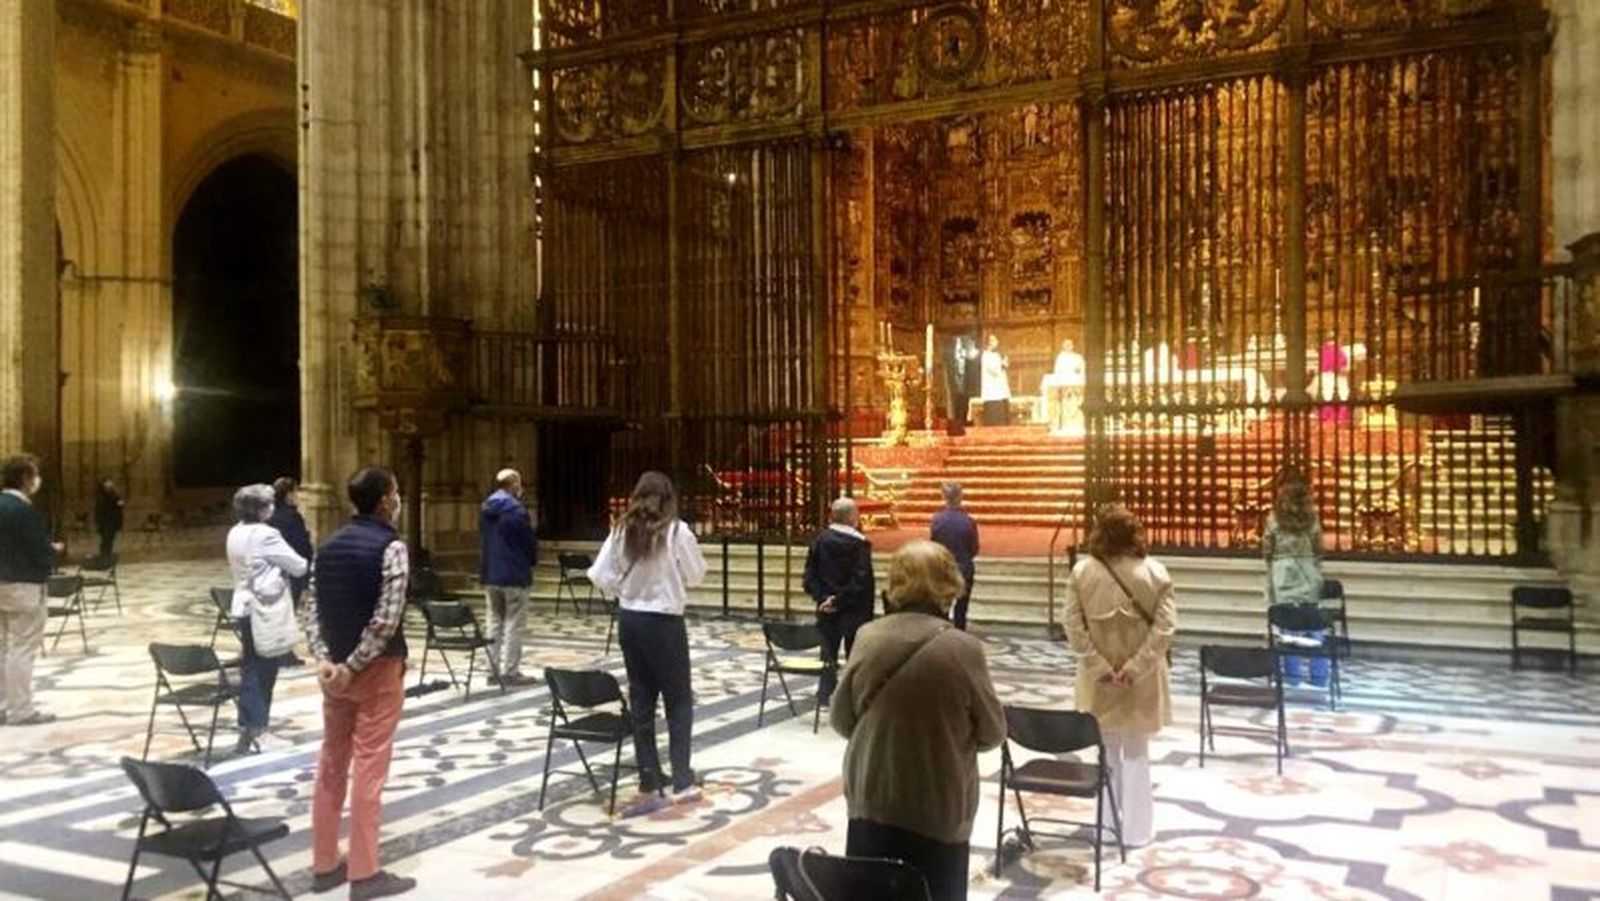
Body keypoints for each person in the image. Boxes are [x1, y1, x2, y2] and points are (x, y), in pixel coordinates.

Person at [831, 541, 1005, 901]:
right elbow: (992, 733)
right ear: (950, 584)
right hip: (937, 806)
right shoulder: (963, 649)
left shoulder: (867, 637)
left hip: (872, 795)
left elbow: (841, 718)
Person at [308, 467, 416, 900]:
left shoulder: (327, 545)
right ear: (386, 499)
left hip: (334, 672)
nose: (398, 498)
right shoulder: (391, 547)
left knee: (331, 762)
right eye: (396, 491)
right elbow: (386, 619)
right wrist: (353, 665)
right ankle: (365, 871)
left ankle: (323, 862)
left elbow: (311, 609)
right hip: (374, 670)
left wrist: (325, 661)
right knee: (370, 767)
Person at [587, 472, 708, 804]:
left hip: (630, 620)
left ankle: (649, 773)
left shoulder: (621, 530)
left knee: (642, 697)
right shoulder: (676, 531)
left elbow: (598, 575)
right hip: (664, 623)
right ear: (669, 497)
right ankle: (682, 776)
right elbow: (697, 574)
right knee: (678, 699)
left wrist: (623, 591)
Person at [1068, 505, 1176, 849]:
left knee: (1106, 750)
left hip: (1098, 679)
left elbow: (1072, 625)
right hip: (1140, 681)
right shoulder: (1155, 572)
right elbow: (1165, 629)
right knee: (1137, 751)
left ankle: (1106, 822)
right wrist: (1134, 668)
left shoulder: (1082, 572)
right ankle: (1137, 830)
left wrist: (1099, 666)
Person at [226, 484, 308, 754]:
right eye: (269, 504)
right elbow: (297, 564)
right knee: (263, 670)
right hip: (264, 608)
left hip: (243, 605)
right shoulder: (266, 534)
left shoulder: (235, 531)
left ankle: (248, 730)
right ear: (261, 508)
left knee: (251, 666)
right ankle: (259, 731)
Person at [0, 454, 61, 726]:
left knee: (3, 647)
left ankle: (4, 704)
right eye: (34, 475)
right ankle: (21, 709)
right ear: (26, 478)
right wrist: (52, 552)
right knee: (22, 648)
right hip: (24, 585)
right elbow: (37, 550)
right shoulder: (22, 510)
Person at [803, 497, 875, 705]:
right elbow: (861, 580)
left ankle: (825, 693)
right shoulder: (859, 545)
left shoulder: (819, 541)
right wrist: (839, 600)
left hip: (826, 609)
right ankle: (852, 696)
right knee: (855, 655)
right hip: (854, 610)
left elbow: (809, 577)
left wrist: (824, 599)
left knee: (828, 652)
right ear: (853, 517)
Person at [1264, 476, 1329, 687]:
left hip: (1282, 571)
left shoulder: (1274, 519)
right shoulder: (1312, 518)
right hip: (1308, 569)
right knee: (1313, 621)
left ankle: (1293, 675)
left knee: (1287, 623)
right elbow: (1319, 546)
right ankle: (1319, 675)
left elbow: (1267, 548)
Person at [479, 468, 538, 687]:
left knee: (494, 622)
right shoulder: (516, 511)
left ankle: (492, 671)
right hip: (514, 573)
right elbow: (528, 542)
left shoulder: (485, 508)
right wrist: (531, 562)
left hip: (491, 572)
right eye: (519, 484)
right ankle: (511, 671)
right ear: (512, 484)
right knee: (514, 623)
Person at [929, 482, 979, 630]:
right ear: (960, 496)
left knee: (943, 605)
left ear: (943, 496)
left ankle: (941, 634)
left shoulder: (937, 520)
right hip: (964, 567)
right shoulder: (969, 522)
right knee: (961, 608)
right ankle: (959, 634)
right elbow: (974, 548)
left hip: (943, 567)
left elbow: (934, 545)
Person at [267, 477, 315, 607]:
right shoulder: (292, 516)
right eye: (296, 491)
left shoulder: (268, 516)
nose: (298, 496)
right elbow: (302, 546)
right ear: (288, 495)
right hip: (291, 572)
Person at [979, 334, 1011, 426]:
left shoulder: (996, 355)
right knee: (995, 421)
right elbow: (994, 369)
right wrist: (1003, 364)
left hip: (1001, 393)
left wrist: (1004, 363)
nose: (996, 342)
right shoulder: (986, 355)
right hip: (993, 395)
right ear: (988, 342)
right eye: (993, 340)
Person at [93, 477, 124, 559]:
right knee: (106, 539)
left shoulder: (114, 495)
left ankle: (107, 554)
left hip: (112, 520)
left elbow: (119, 507)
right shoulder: (101, 496)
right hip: (105, 521)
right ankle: (104, 555)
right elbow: (99, 509)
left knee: (110, 539)